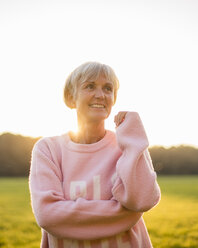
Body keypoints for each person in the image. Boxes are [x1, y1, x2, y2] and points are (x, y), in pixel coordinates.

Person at [29, 61, 161, 248]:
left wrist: (133, 137)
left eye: (108, 88)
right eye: (90, 86)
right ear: (70, 97)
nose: (100, 95)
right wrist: (122, 213)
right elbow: (48, 215)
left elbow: (143, 200)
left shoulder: (127, 145)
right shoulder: (48, 149)